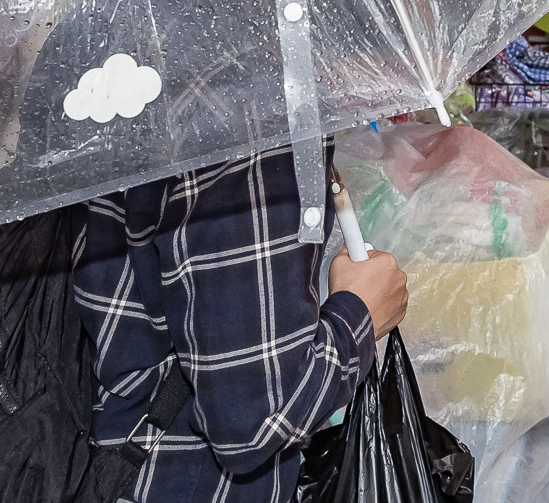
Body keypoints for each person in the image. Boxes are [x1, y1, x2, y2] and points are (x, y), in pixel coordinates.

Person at [73, 148, 412, 502]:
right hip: (185, 479)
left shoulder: (127, 104)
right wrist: (360, 315)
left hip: (111, 453)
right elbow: (254, 422)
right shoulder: (253, 129)